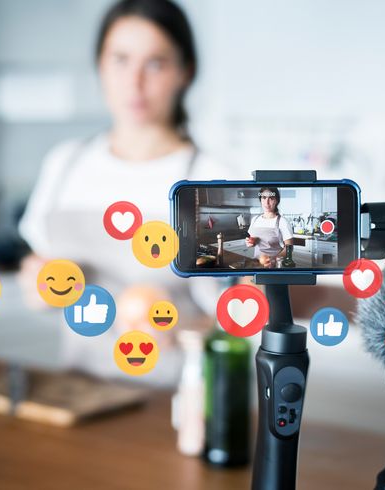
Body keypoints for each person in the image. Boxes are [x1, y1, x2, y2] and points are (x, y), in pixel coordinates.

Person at [17, 0, 229, 385]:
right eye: (120, 60)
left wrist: (178, 323)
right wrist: (40, 288)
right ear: (100, 66)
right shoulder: (65, 164)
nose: (134, 81)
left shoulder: (212, 180)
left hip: (178, 402)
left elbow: (237, 319)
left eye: (155, 63)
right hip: (79, 392)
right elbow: (40, 277)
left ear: (186, 72)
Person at [245, 187, 294, 268]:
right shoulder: (255, 219)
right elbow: (253, 240)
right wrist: (250, 243)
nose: (267, 202)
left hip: (274, 266)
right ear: (260, 200)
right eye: (264, 198)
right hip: (256, 264)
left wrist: (274, 259)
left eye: (271, 198)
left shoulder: (282, 221)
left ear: (277, 201)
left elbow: (289, 248)